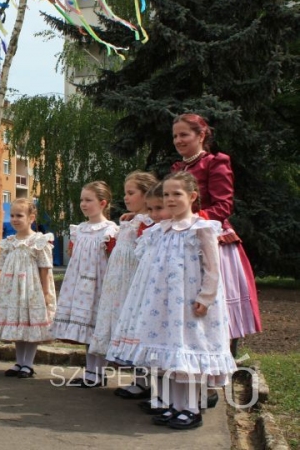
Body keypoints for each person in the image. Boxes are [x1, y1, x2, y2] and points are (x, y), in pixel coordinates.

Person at [111, 172, 237, 430]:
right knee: (172, 357)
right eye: (166, 194)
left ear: (191, 197)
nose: (170, 199)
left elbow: (212, 269)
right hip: (165, 305)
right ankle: (175, 406)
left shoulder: (201, 228)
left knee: (187, 354)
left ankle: (191, 408)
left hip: (190, 305)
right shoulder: (160, 231)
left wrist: (206, 297)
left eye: (176, 194)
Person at [171, 113, 261, 354]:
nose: (178, 140)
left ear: (201, 136)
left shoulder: (214, 162)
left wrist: (191, 220)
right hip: (183, 239)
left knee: (217, 299)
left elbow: (223, 207)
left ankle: (223, 359)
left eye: (184, 135)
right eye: (175, 136)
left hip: (213, 239)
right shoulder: (178, 168)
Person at [51, 181, 119, 387]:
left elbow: (112, 259)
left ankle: (99, 372)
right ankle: (91, 372)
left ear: (102, 202)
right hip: (79, 286)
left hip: (99, 284)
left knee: (98, 328)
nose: (83, 204)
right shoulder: (79, 230)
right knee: (87, 330)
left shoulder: (110, 230)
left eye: (89, 200)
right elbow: (73, 255)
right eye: (82, 200)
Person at [89, 172, 157, 366]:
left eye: (131, 192)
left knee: (135, 327)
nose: (126, 197)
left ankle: (142, 381)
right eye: (125, 193)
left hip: (133, 282)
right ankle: (136, 379)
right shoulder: (129, 221)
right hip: (117, 284)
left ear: (146, 194)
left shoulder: (148, 223)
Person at [0, 198, 55, 379]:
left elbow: (45, 268)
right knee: (18, 326)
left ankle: (28, 364)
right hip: (13, 291)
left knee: (29, 326)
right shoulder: (8, 242)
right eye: (12, 215)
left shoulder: (39, 241)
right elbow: (3, 267)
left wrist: (46, 293)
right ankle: (19, 362)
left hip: (31, 289)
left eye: (19, 215)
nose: (15, 219)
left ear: (31, 218)